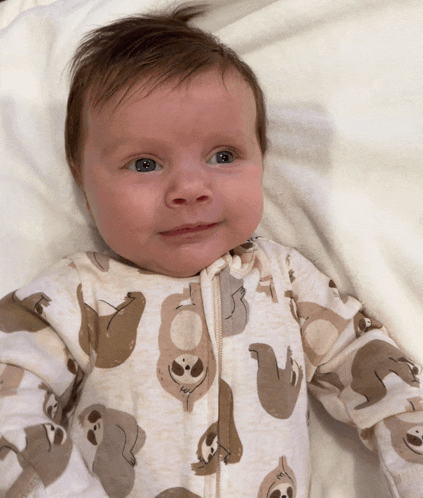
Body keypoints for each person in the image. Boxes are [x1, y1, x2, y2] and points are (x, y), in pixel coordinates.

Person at [0, 4, 422, 497]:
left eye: (224, 156)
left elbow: (379, 377)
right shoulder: (73, 298)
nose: (190, 187)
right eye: (144, 163)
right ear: (82, 178)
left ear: (261, 160)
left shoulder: (284, 281)